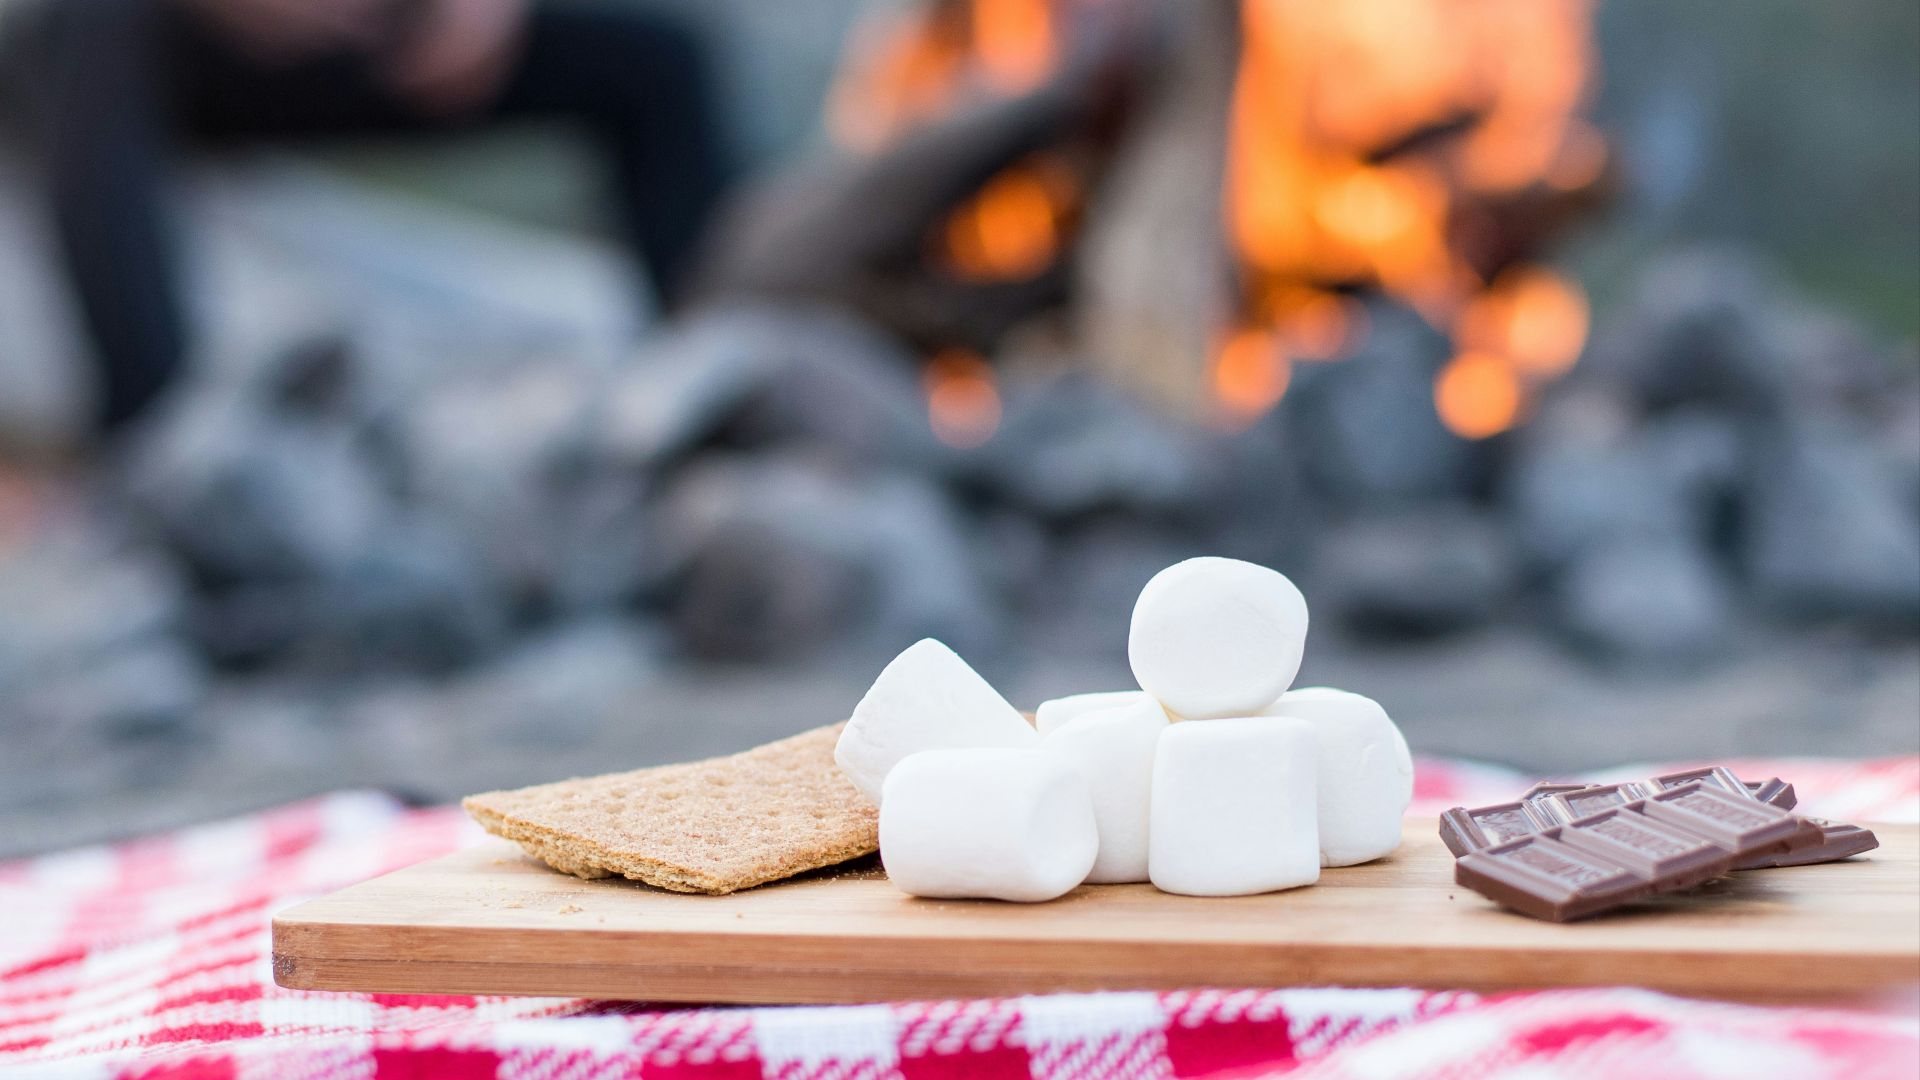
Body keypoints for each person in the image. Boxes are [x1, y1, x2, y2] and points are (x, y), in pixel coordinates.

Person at [7, 0, 727, 430]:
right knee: (86, 25)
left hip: (382, 41)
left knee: (661, 60)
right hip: (166, 50)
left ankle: (722, 390)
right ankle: (156, 441)